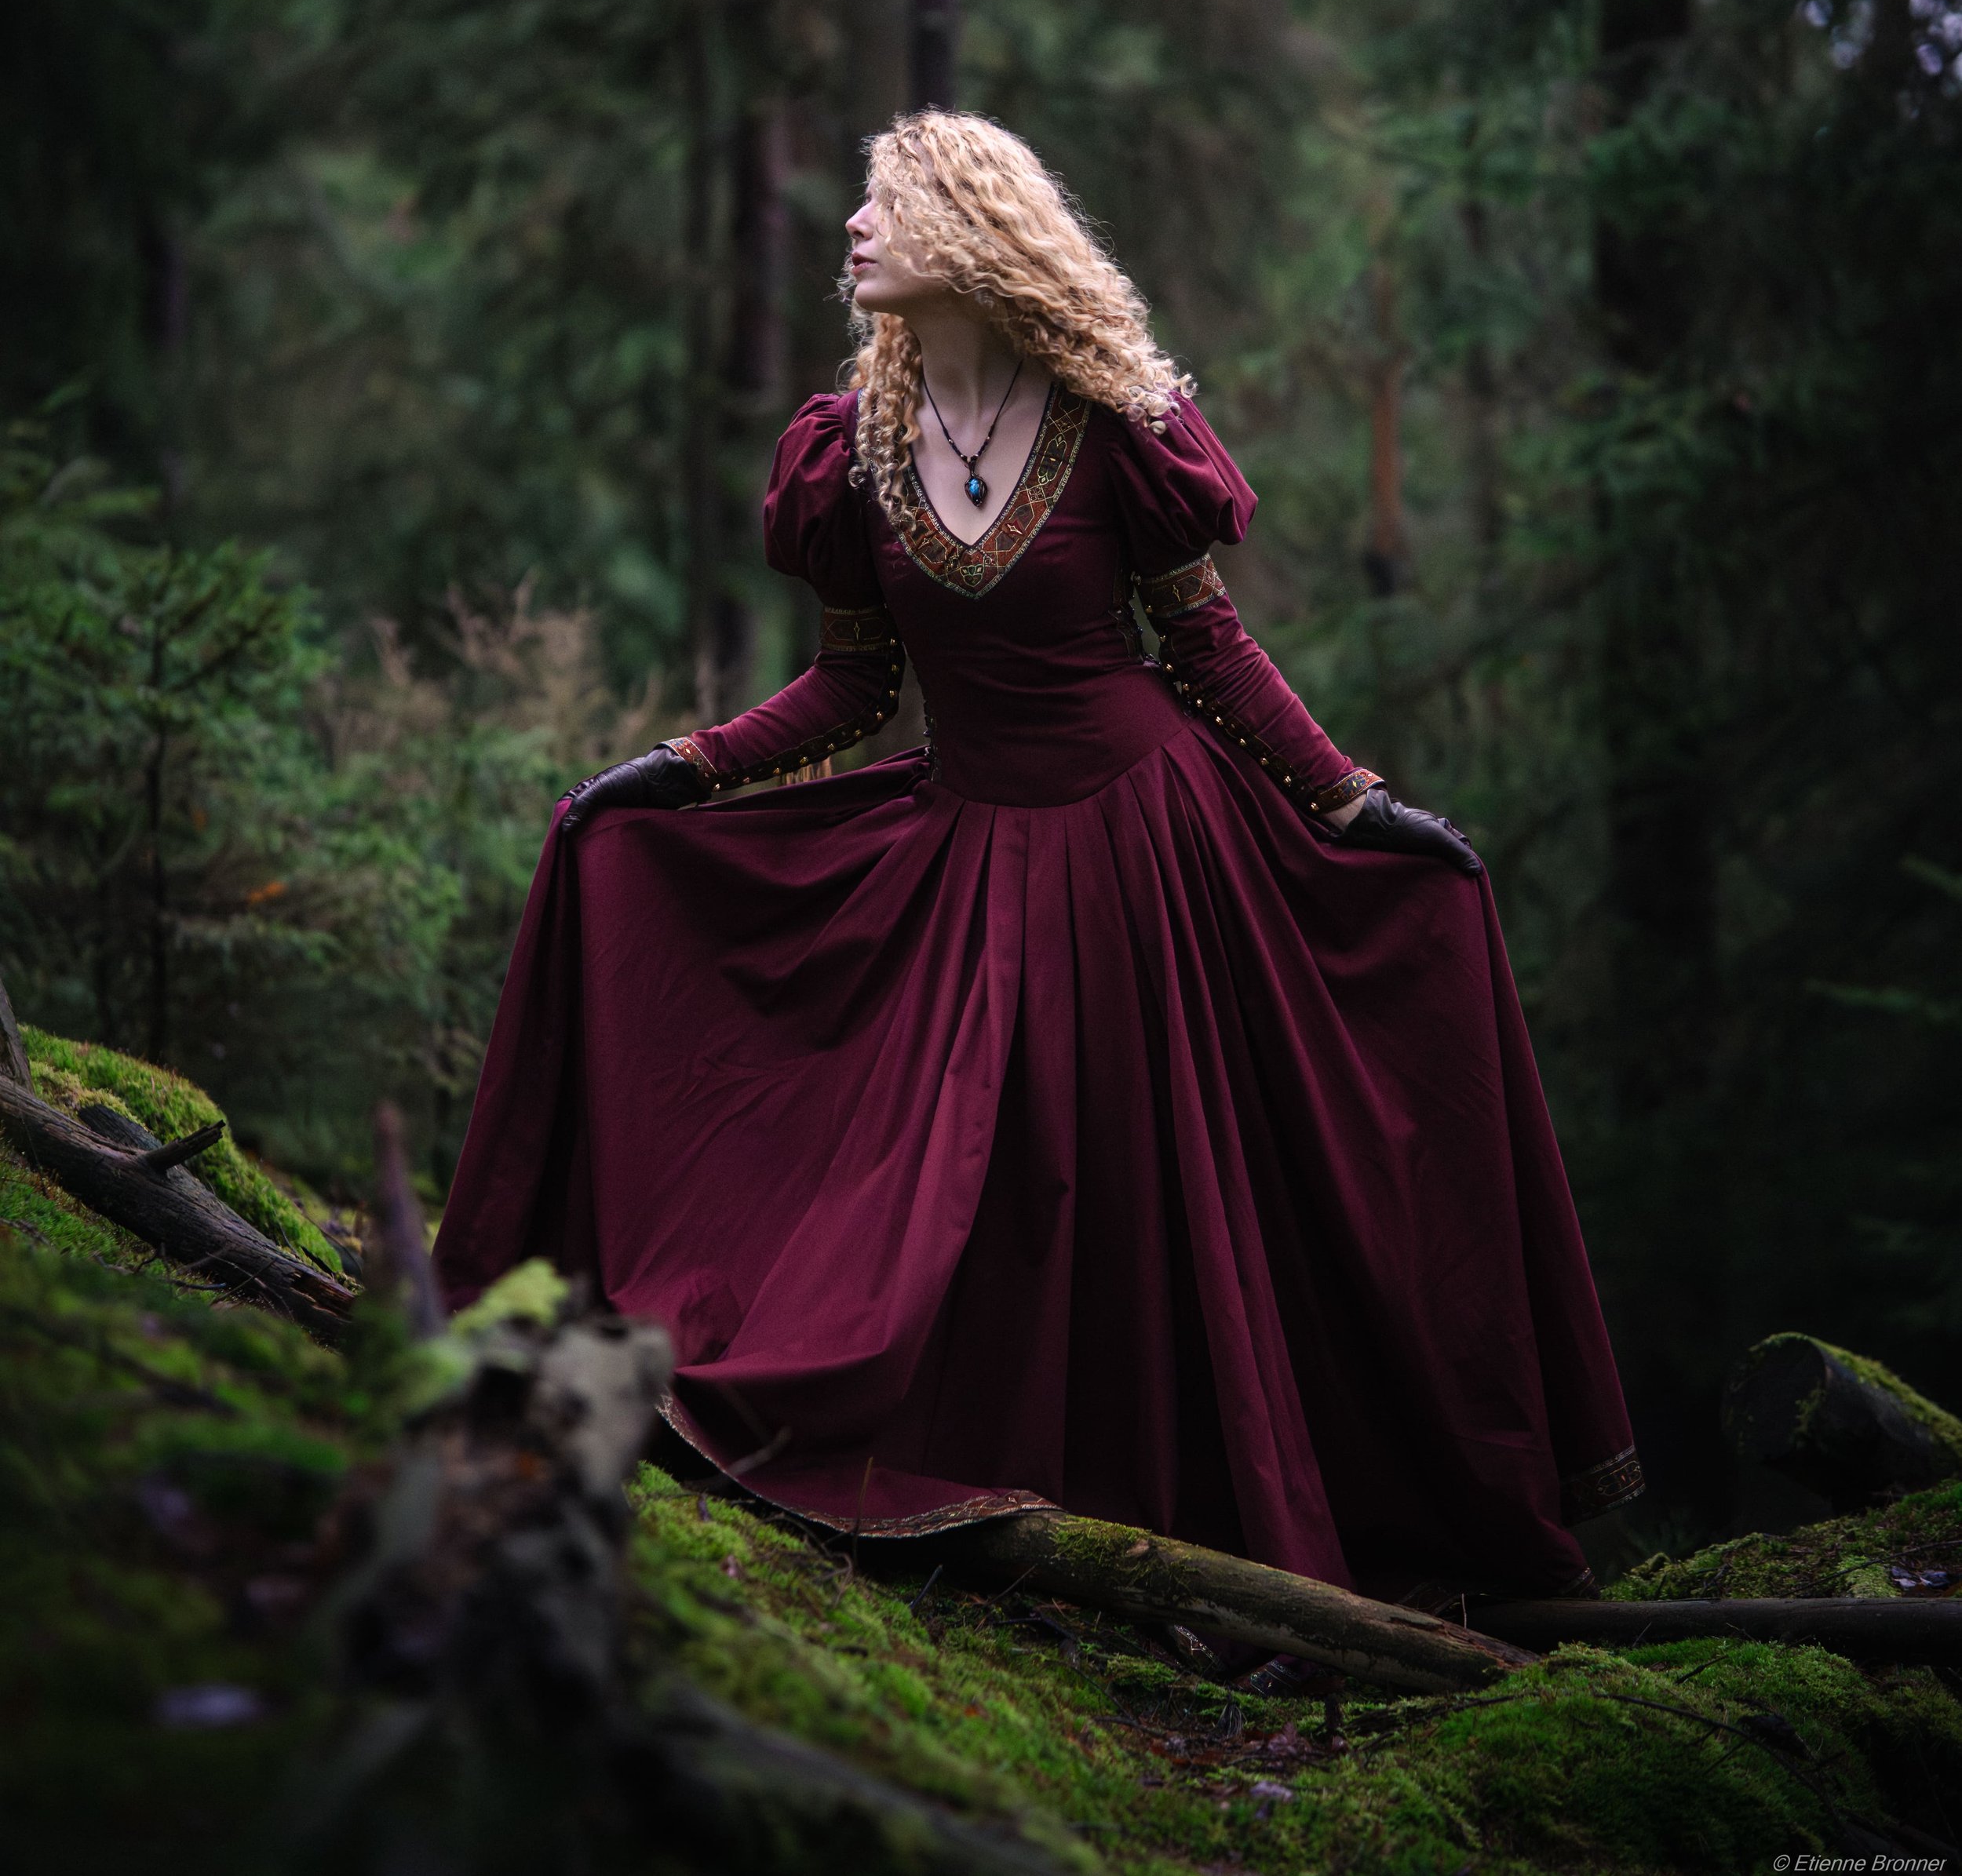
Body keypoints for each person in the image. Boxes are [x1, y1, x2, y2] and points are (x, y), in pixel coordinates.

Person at [433, 110, 1642, 1616]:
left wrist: (1348, 803)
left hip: (1154, 847)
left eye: (887, 207)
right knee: (966, 1192)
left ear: (971, 227)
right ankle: (1007, 1512)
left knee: (1169, 1192)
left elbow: (1205, 648)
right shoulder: (851, 449)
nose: (857, 231)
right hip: (968, 850)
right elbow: (855, 693)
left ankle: (1236, 1541)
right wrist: (677, 774)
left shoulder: (1114, 420)